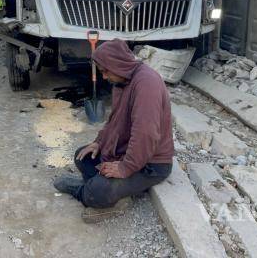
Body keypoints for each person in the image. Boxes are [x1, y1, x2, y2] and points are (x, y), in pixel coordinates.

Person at [53, 39, 173, 223]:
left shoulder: (147, 84)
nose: (104, 77)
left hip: (151, 165)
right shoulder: (122, 81)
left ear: (117, 64)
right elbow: (114, 120)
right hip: (127, 152)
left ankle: (85, 191)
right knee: (83, 156)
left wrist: (126, 167)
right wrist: (99, 142)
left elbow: (146, 134)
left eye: (105, 71)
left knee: (98, 192)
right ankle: (104, 187)